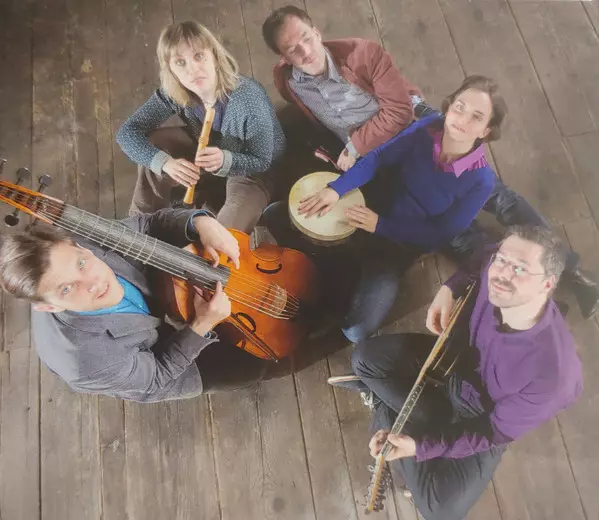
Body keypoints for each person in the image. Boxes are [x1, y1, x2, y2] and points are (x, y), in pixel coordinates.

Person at [262, 5, 599, 320]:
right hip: (384, 159)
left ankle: (570, 270)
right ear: (283, 56)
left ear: (316, 32)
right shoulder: (290, 81)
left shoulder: (362, 53)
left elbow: (400, 110)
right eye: (292, 49)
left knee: (497, 196)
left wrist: (355, 144)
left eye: (306, 37)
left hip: (414, 128)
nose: (304, 51)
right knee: (451, 228)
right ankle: (526, 295)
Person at [329, 225, 583, 520]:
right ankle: (403, 413)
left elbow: (491, 432)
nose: (501, 273)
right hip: (453, 362)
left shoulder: (553, 377)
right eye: (503, 260)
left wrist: (419, 446)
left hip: (480, 415)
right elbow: (484, 255)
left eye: (520, 269)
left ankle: (387, 410)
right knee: (364, 358)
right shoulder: (495, 264)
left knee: (441, 510)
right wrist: (449, 288)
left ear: (547, 284)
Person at [296, 76, 505, 342]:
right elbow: (379, 157)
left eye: (476, 117)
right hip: (367, 204)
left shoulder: (481, 182)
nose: (461, 120)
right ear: (450, 105)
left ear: (486, 131)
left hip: (399, 243)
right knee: (286, 219)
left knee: (356, 331)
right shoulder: (429, 126)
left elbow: (439, 235)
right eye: (459, 107)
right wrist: (337, 188)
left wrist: (380, 225)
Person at [0, 209, 269, 402]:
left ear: (82, 247)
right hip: (149, 364)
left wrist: (199, 222)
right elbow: (157, 375)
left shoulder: (83, 237)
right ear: (50, 307)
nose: (93, 283)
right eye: (67, 289)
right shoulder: (86, 362)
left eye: (81, 264)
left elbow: (147, 225)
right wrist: (201, 325)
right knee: (249, 367)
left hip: (148, 300)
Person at [116, 21, 285, 234]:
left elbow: (262, 161)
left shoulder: (248, 99)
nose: (192, 70)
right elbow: (127, 132)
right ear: (171, 69)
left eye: (199, 56)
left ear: (214, 56)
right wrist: (165, 163)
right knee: (155, 144)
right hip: (207, 152)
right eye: (180, 62)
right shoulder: (174, 92)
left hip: (253, 171)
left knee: (221, 238)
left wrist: (225, 160)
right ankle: (141, 226)